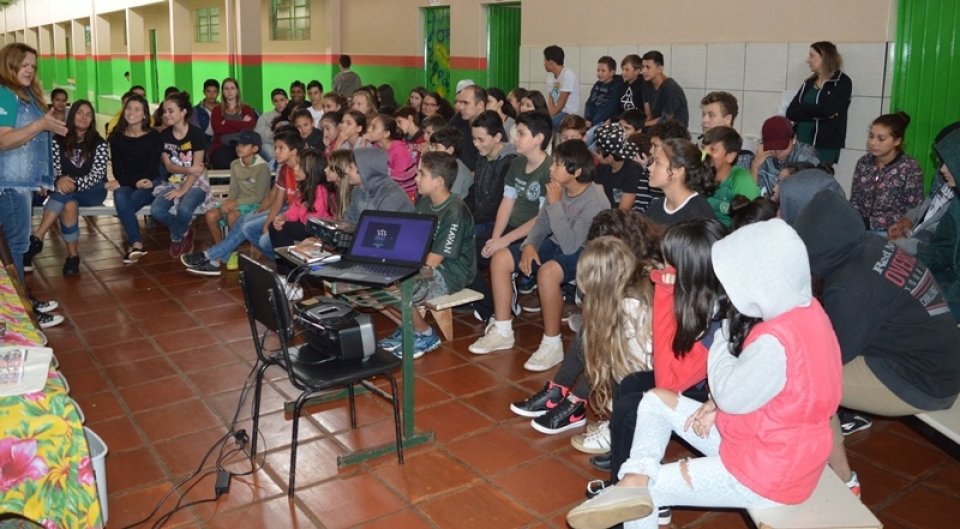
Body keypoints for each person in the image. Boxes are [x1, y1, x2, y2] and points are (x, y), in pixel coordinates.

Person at [567, 218, 843, 529]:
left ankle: (634, 487)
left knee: (644, 495)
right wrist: (714, 403)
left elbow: (731, 389)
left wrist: (724, 329)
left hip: (768, 474)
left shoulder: (775, 341)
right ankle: (634, 476)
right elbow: (769, 387)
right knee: (656, 400)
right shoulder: (806, 312)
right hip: (766, 442)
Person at [793, 190, 960, 492]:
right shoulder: (871, 244)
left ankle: (844, 478)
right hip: (942, 361)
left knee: (809, 379)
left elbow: (832, 355)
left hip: (923, 383)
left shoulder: (849, 287)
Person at [599, 219, 725, 525]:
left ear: (692, 267)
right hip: (703, 386)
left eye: (670, 261)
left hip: (718, 404)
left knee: (632, 405)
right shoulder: (700, 291)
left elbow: (669, 382)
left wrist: (665, 294)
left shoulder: (721, 312)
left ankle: (636, 491)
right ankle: (626, 478)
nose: (664, 265)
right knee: (630, 384)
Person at [511, 211, 661, 439]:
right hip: (632, 352)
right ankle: (559, 389)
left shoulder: (646, 283)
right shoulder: (626, 273)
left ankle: (577, 402)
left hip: (643, 366)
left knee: (601, 330)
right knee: (591, 325)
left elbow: (628, 353)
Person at [469, 140, 610, 372]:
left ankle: (552, 344)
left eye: (557, 164)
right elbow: (542, 222)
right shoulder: (558, 187)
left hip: (588, 252)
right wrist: (529, 245)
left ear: (575, 172)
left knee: (548, 272)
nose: (552, 168)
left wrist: (554, 205)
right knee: (502, 258)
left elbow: (570, 246)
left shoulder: (595, 200)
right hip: (556, 243)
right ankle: (503, 330)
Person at [377, 151, 476, 358]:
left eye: (421, 174)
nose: (416, 179)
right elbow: (410, 239)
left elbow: (433, 261)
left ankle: (425, 334)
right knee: (375, 285)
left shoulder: (455, 211)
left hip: (450, 273)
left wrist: (399, 273)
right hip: (424, 264)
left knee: (399, 289)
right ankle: (410, 328)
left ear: (438, 181)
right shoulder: (423, 202)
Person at [0, 43, 68, 328]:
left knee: (17, 244)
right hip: (9, 183)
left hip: (23, 182)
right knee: (16, 245)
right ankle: (23, 311)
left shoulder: (24, 93)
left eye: (33, 66)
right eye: (24, 65)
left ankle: (22, 297)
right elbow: (4, 141)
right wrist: (41, 125)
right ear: (10, 65)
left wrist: (41, 178)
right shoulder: (4, 93)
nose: (29, 70)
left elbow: (37, 144)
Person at [181, 129, 304, 276]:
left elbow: (280, 203)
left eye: (280, 148)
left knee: (256, 233)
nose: (275, 152)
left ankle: (211, 256)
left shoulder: (302, 168)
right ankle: (216, 258)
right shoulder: (284, 168)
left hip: (293, 213)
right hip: (283, 209)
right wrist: (256, 215)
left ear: (294, 151)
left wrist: (265, 223)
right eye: (275, 147)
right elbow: (274, 198)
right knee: (243, 222)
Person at [26, 100, 107, 276]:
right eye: (79, 112)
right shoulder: (58, 140)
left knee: (64, 192)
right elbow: (53, 167)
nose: (84, 117)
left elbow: (98, 174)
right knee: (69, 204)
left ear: (92, 119)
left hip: (92, 191)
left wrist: (73, 183)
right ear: (72, 115)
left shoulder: (99, 143)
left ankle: (37, 238)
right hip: (65, 190)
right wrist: (59, 180)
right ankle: (72, 257)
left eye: (88, 114)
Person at [152, 91, 209, 258]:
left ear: (183, 112)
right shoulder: (163, 136)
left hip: (196, 182)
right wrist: (186, 170)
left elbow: (197, 170)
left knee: (185, 209)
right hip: (173, 181)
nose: (166, 115)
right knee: (157, 211)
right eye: (164, 111)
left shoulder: (196, 134)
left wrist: (183, 190)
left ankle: (177, 237)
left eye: (171, 111)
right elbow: (169, 166)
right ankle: (185, 230)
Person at [106, 93, 162, 264]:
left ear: (145, 114)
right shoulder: (116, 137)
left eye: (137, 109)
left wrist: (138, 182)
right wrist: (134, 182)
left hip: (151, 181)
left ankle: (133, 243)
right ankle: (137, 244)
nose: (131, 112)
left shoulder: (154, 136)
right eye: (128, 108)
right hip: (130, 182)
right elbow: (118, 171)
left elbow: (152, 169)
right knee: (120, 194)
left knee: (127, 202)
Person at [889, 121, 960, 255]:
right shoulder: (944, 175)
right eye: (940, 159)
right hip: (912, 240)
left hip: (925, 253)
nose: (941, 168)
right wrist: (908, 220)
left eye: (946, 160)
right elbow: (929, 205)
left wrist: (897, 244)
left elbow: (940, 248)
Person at [849, 112, 923, 233]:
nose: (873, 143)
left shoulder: (910, 167)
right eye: (871, 136)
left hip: (890, 232)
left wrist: (870, 223)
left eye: (881, 139)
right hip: (859, 228)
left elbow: (913, 212)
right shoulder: (863, 162)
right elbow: (855, 200)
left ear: (897, 141)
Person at [268, 148, 336, 276]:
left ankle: (291, 278)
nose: (295, 168)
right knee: (275, 226)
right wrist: (284, 217)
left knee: (285, 230)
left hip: (318, 230)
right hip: (306, 226)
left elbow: (315, 221)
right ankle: (282, 272)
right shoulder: (305, 186)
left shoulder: (320, 190)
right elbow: (294, 209)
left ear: (310, 170)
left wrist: (289, 222)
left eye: (300, 165)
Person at [786, 41, 852, 165]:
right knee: (798, 179)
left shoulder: (842, 82)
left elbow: (828, 110)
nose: (807, 60)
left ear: (825, 57)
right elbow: (790, 113)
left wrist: (803, 108)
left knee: (818, 180)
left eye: (812, 56)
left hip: (825, 145)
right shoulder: (808, 83)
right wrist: (820, 114)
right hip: (802, 142)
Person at [918, 127, 960, 320]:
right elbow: (942, 247)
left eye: (948, 163)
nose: (942, 169)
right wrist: (914, 269)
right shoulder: (957, 202)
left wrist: (928, 297)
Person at [204, 129, 271, 246]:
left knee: (232, 216)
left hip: (256, 205)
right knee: (211, 215)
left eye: (244, 145)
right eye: (238, 145)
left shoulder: (263, 167)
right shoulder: (234, 164)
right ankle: (220, 248)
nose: (239, 147)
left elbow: (259, 197)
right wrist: (229, 201)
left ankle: (232, 249)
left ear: (255, 149)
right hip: (238, 202)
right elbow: (234, 189)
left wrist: (235, 203)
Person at [467, 110, 517, 260]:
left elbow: (496, 202)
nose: (476, 144)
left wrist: (470, 220)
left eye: (481, 140)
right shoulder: (482, 154)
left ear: (497, 137)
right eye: (474, 139)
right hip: (480, 217)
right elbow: (475, 190)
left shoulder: (511, 161)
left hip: (497, 222)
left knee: (464, 244)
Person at [645, 138, 716, 225]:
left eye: (657, 163)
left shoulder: (699, 216)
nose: (649, 168)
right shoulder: (655, 206)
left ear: (677, 172)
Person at [702, 126, 760, 227]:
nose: (704, 153)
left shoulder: (741, 179)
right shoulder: (698, 173)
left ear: (730, 156)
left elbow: (750, 221)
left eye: (712, 149)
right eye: (703, 148)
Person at [341, 147, 415, 223]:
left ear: (364, 170)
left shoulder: (390, 196)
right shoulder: (358, 190)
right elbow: (349, 221)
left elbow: (384, 230)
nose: (346, 171)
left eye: (350, 168)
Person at [753, 115, 820, 197]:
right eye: (772, 147)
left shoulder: (807, 158)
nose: (777, 151)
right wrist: (755, 166)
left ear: (794, 139)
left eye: (782, 147)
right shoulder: (764, 155)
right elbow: (753, 196)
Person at [364, 113, 418, 201]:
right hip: (386, 192)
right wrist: (363, 143)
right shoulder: (376, 147)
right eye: (369, 126)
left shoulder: (400, 151)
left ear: (386, 134)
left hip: (405, 196)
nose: (369, 130)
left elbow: (397, 181)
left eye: (373, 127)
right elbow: (365, 170)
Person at [593, 123, 646, 212]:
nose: (594, 154)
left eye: (597, 151)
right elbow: (599, 199)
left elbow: (623, 211)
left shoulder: (633, 171)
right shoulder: (602, 167)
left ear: (609, 158)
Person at [209, 78, 257, 169]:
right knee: (221, 160)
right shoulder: (217, 110)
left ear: (237, 90)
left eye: (232, 88)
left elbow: (249, 127)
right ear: (222, 92)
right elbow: (218, 128)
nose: (229, 91)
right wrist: (241, 123)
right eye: (226, 88)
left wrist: (226, 123)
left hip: (243, 145)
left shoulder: (246, 109)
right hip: (222, 145)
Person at [640, 51, 688, 127]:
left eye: (648, 67)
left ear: (660, 69)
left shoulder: (671, 88)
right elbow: (648, 115)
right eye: (642, 67)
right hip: (657, 130)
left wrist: (642, 125)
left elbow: (665, 119)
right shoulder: (646, 85)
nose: (644, 71)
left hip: (675, 133)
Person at [426, 126, 472, 199]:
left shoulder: (458, 171)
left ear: (450, 150)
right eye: (432, 146)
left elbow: (450, 201)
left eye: (437, 147)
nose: (432, 150)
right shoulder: (443, 166)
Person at [543, 45, 580, 128]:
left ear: (551, 62)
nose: (544, 63)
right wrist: (549, 114)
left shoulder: (568, 75)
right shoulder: (550, 77)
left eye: (545, 60)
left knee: (547, 124)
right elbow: (552, 99)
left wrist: (550, 117)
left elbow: (561, 104)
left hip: (569, 114)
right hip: (557, 113)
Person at [451, 84, 486, 172]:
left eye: (466, 103)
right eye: (460, 102)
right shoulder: (459, 118)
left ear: (480, 105)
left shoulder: (491, 125)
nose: (461, 107)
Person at [584, 56, 624, 130]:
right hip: (591, 121)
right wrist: (588, 118)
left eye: (603, 71)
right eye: (598, 70)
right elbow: (589, 103)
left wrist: (593, 123)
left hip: (604, 121)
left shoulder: (617, 86)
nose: (599, 73)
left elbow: (609, 108)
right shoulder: (597, 85)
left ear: (611, 72)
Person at [255, 88, 288, 162]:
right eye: (276, 101)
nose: (279, 103)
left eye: (281, 100)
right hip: (271, 145)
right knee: (264, 146)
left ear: (286, 100)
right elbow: (258, 135)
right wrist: (273, 132)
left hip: (289, 145)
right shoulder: (265, 116)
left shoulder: (292, 114)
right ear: (273, 102)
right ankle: (277, 164)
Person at [618, 54, 644, 119]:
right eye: (623, 69)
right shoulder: (622, 86)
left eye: (627, 70)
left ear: (637, 71)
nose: (623, 73)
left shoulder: (643, 86)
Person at [193, 78, 220, 144]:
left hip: (219, 142)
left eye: (214, 91)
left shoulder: (223, 109)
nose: (211, 94)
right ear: (204, 92)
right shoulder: (195, 110)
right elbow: (196, 131)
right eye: (208, 91)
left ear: (218, 93)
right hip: (202, 142)